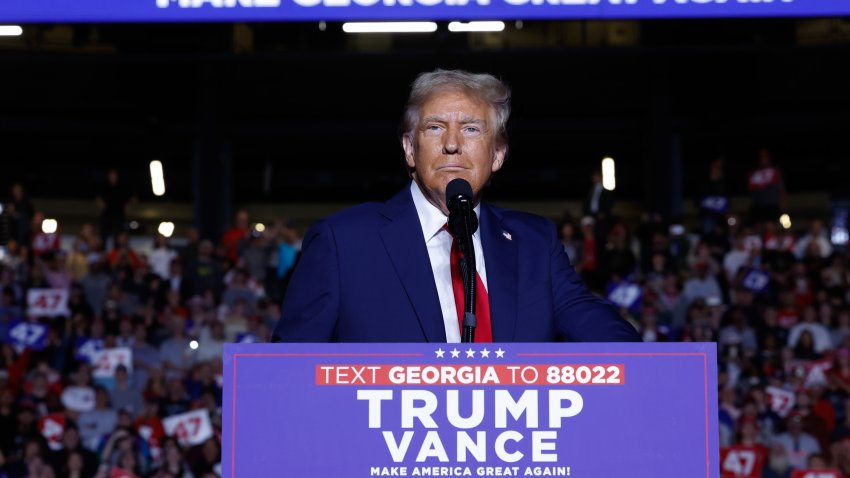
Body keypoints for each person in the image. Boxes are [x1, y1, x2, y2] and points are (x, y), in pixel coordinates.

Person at [273, 69, 639, 343]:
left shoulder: (534, 242)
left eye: (471, 129)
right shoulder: (344, 242)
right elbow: (288, 372)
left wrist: (667, 368)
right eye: (434, 128)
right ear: (409, 149)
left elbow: (604, 332)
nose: (452, 144)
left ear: (497, 154)